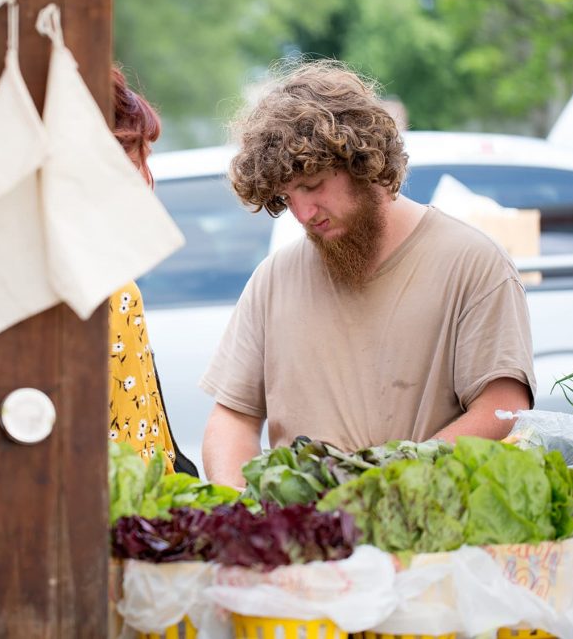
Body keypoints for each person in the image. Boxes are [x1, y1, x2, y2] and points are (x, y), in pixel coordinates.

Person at [200, 60, 536, 488]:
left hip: (427, 533)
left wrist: (386, 486)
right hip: (302, 545)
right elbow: (232, 419)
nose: (302, 214)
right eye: (287, 196)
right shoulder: (273, 279)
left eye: (313, 184)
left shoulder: (472, 263)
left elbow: (502, 410)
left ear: (364, 163)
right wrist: (243, 510)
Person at [108, 65, 198, 477]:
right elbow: (139, 461)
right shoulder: (111, 291)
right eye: (136, 157)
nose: (147, 180)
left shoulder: (113, 282)